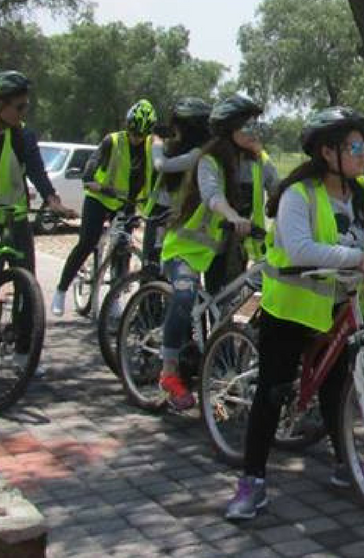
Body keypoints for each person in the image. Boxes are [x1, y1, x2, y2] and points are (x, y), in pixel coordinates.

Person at [225, 106, 364, 520]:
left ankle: (346, 465)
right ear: (328, 153)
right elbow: (299, 246)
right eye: (356, 146)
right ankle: (252, 481)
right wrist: (358, 256)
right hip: (291, 309)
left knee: (337, 387)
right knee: (273, 391)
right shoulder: (299, 195)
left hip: (340, 306)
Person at [156, 93, 278, 410]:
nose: (254, 129)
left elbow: (281, 191)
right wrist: (233, 216)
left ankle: (219, 376)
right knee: (184, 296)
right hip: (187, 248)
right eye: (246, 124)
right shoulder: (208, 161)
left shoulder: (259, 162)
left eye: (256, 123)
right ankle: (169, 372)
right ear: (228, 130)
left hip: (230, 251)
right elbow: (212, 197)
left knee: (224, 314)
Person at [0, 71, 75, 367]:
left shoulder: (24, 136)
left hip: (13, 212)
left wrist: (53, 200)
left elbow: (37, 171)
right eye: (19, 107)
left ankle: (24, 351)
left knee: (26, 277)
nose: (24, 112)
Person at [51, 98, 157, 316]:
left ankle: (115, 298)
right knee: (87, 242)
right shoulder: (113, 141)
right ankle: (61, 289)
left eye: (142, 135)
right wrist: (95, 183)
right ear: (128, 127)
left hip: (125, 204)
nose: (137, 139)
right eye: (134, 133)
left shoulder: (149, 148)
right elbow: (90, 169)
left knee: (122, 250)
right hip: (99, 199)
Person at [142, 98, 213, 275]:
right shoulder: (177, 146)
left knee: (167, 267)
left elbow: (161, 165)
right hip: (162, 212)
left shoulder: (198, 153)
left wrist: (157, 144)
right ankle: (148, 301)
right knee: (150, 266)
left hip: (174, 215)